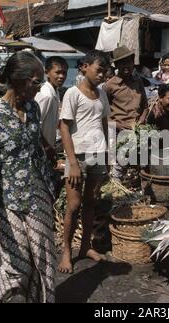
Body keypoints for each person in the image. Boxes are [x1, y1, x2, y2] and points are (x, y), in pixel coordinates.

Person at [0, 51, 56, 303]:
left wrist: (52, 161)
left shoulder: (33, 108)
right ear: (18, 80)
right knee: (16, 266)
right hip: (7, 201)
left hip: (38, 193)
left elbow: (36, 144)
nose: (39, 87)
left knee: (44, 259)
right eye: (36, 81)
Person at [58, 50, 111, 274]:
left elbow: (104, 122)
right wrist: (72, 162)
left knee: (91, 203)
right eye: (99, 70)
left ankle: (85, 247)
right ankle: (66, 253)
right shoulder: (72, 93)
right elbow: (64, 127)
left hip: (98, 155)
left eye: (104, 71)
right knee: (73, 206)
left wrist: (107, 153)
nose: (102, 75)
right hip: (77, 156)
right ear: (84, 67)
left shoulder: (102, 94)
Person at [103, 46, 148, 182]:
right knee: (119, 165)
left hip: (138, 131)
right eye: (122, 63)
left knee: (142, 163)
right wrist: (116, 125)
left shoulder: (138, 82)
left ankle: (141, 193)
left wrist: (141, 121)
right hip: (119, 132)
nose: (126, 66)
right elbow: (104, 112)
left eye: (129, 62)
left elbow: (145, 106)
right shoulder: (109, 86)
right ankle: (116, 192)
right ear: (116, 65)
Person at [35, 56, 68, 158]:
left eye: (64, 73)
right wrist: (47, 148)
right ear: (47, 73)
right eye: (57, 72)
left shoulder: (55, 91)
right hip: (40, 150)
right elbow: (35, 125)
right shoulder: (46, 95)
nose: (62, 76)